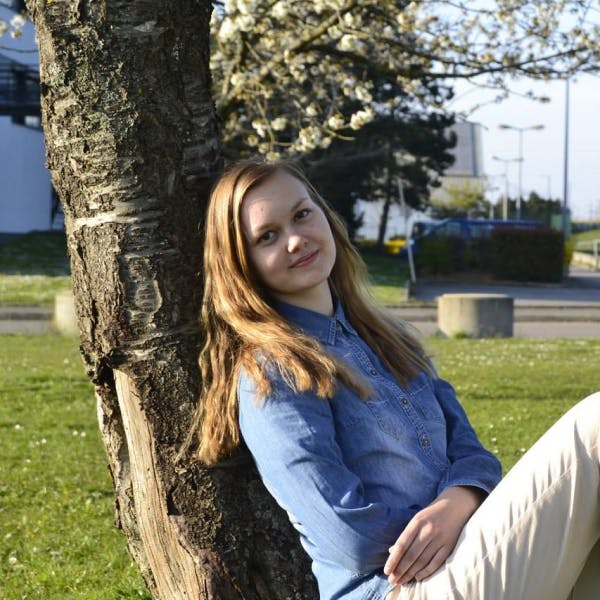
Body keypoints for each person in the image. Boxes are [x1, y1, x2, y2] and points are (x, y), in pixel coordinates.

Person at [188, 158, 600, 600]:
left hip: (468, 551)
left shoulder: (389, 338)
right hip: (398, 589)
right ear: (241, 262)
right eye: (267, 236)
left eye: (302, 214)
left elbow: (473, 454)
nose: (295, 240)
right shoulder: (273, 373)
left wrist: (457, 503)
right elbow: (347, 534)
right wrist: (441, 529)